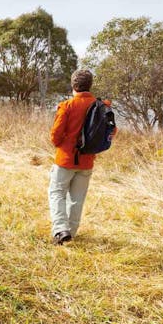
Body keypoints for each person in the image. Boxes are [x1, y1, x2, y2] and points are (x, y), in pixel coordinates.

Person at [48, 69, 111, 244]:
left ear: (73, 85)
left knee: (57, 193)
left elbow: (55, 136)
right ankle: (71, 234)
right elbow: (111, 131)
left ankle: (60, 230)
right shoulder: (102, 106)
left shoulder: (67, 106)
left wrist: (63, 144)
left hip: (65, 159)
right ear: (90, 85)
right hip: (87, 161)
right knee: (77, 199)